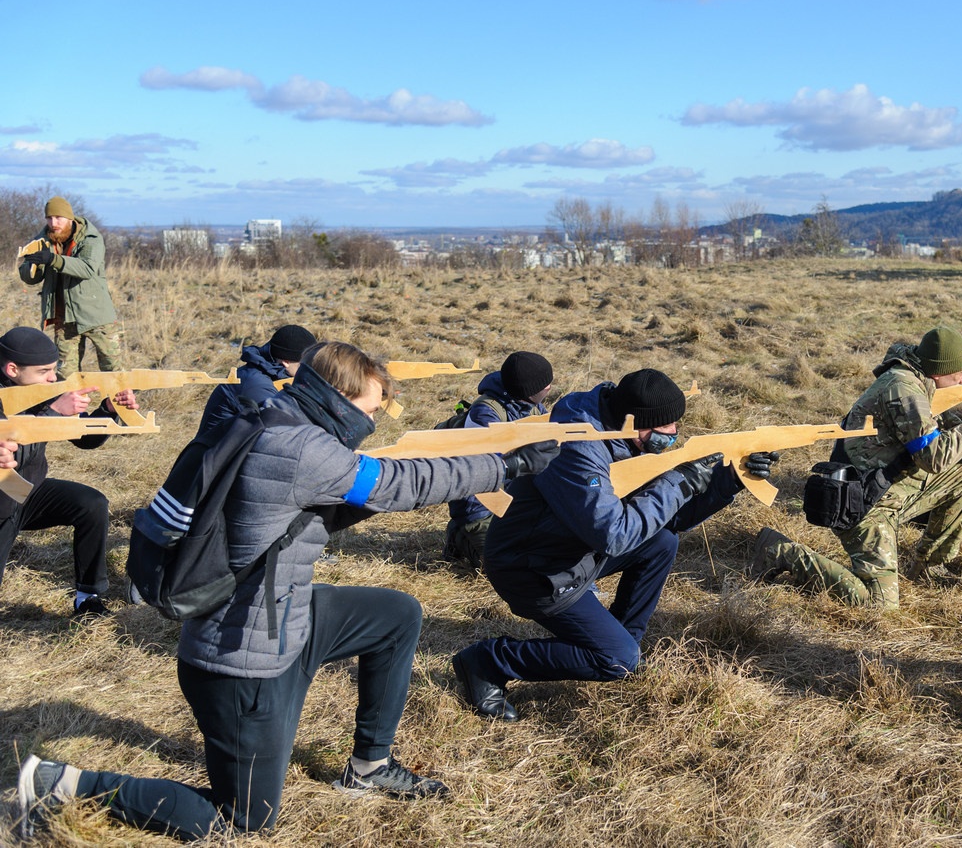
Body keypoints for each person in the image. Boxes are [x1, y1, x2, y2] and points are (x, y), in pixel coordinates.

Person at [14, 340, 560, 840]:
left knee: (396, 614)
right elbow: (399, 483)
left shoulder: (283, 418)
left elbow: (311, 509)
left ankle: (369, 766)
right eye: (369, 411)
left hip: (284, 615)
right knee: (244, 821)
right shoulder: (298, 446)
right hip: (240, 656)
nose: (371, 424)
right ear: (340, 398)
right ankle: (62, 784)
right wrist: (505, 465)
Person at [451, 368, 778, 721]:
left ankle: (624, 641)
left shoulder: (620, 437)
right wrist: (677, 484)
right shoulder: (578, 451)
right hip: (532, 569)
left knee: (661, 541)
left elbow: (672, 519)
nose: (673, 434)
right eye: (666, 427)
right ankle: (488, 661)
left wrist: (729, 480)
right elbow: (614, 535)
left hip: (570, 553)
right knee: (615, 659)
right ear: (637, 425)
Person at [747, 326, 962, 607]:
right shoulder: (904, 389)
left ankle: (929, 565)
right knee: (879, 605)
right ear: (938, 371)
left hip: (888, 492)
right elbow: (934, 458)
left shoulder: (923, 386)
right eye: (959, 372)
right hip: (862, 505)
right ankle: (782, 551)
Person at [0, 327, 138, 618]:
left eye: (54, 370)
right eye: (44, 371)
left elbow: (85, 440)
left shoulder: (42, 391)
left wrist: (108, 410)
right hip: (1, 502)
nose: (53, 378)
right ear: (12, 369)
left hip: (28, 492)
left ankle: (88, 597)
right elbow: (12, 453)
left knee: (92, 505)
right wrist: (53, 414)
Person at [443, 350, 555, 568]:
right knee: (506, 567)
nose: (549, 388)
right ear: (528, 391)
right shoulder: (485, 415)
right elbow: (480, 473)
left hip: (512, 496)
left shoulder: (530, 407)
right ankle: (460, 536)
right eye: (545, 386)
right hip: (479, 505)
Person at [16, 197, 124, 376]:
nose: (53, 223)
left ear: (70, 218)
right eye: (49, 218)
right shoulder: (42, 241)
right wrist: (31, 265)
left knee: (113, 370)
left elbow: (87, 268)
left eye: (58, 217)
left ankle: (119, 404)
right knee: (65, 375)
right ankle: (71, 403)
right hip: (63, 317)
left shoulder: (91, 238)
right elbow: (31, 279)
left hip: (96, 315)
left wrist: (53, 259)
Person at [197, 324, 317, 435]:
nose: (309, 370)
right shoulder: (255, 384)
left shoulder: (271, 373)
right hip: (216, 455)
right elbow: (282, 431)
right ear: (286, 362)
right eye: (305, 365)